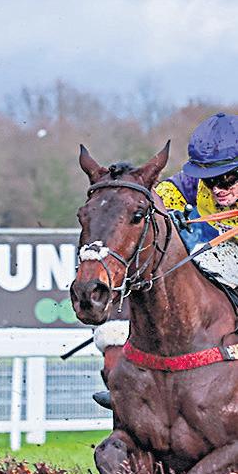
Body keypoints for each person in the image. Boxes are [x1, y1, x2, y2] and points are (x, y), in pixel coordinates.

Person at [92, 112, 238, 408]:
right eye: (210, 180)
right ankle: (131, 379)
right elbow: (151, 204)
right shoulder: (187, 185)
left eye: (228, 178)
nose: (217, 189)